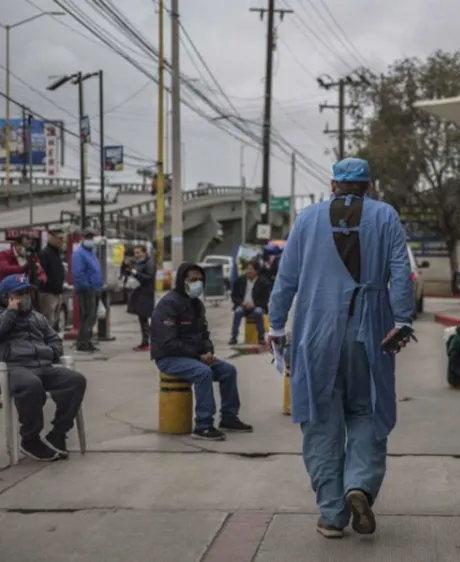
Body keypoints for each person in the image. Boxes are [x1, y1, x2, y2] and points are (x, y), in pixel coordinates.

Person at [267, 157, 414, 538]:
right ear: (368, 185)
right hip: (372, 332)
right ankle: (359, 485)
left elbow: (286, 278)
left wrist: (277, 325)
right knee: (366, 410)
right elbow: (401, 272)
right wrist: (401, 321)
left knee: (320, 419)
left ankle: (332, 514)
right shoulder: (385, 217)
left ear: (333, 184)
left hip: (317, 332)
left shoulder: (308, 218)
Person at [151, 262, 253, 440]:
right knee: (203, 373)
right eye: (193, 280)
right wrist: (198, 355)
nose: (197, 283)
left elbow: (204, 333)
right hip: (169, 358)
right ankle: (203, 425)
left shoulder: (196, 305)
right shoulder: (168, 304)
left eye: (200, 280)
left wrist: (208, 350)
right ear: (182, 280)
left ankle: (229, 417)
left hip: (194, 356)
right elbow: (168, 343)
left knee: (228, 371)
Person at [0, 274, 87, 461]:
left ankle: (58, 433)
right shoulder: (3, 317)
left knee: (75, 381)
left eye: (27, 293)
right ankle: (30, 439)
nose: (25, 297)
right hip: (16, 368)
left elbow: (54, 338)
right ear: (6, 298)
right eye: (19, 294)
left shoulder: (37, 317)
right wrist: (11, 312)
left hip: (44, 366)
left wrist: (50, 351)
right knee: (31, 385)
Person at [71, 228, 103, 352]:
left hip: (95, 288)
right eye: (87, 237)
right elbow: (78, 273)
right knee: (88, 316)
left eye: (91, 238)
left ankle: (86, 341)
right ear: (82, 239)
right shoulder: (79, 253)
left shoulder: (91, 252)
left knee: (91, 317)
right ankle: (83, 343)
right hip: (87, 290)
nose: (90, 240)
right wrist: (87, 286)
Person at [229, 260, 271, 345]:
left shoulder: (263, 282)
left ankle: (261, 337)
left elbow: (265, 299)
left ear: (256, 271)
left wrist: (254, 304)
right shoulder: (240, 281)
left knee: (258, 312)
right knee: (238, 312)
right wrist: (242, 303)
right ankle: (234, 337)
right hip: (243, 305)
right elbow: (234, 297)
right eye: (247, 269)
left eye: (251, 269)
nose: (249, 271)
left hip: (257, 305)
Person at [125, 244, 156, 351]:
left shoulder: (149, 263)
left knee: (144, 318)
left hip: (146, 294)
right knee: (142, 319)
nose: (136, 255)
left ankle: (147, 342)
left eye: (138, 252)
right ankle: (145, 341)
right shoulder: (138, 262)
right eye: (135, 253)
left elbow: (149, 277)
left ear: (144, 252)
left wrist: (136, 273)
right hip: (139, 293)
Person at [0, 234, 47, 299]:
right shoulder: (5, 254)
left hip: (27, 294)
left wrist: (40, 280)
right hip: (9, 293)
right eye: (25, 246)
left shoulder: (31, 256)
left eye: (29, 246)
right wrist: (23, 268)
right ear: (16, 244)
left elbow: (41, 272)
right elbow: (4, 269)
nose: (27, 250)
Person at [37, 230, 67, 330]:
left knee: (54, 322)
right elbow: (40, 274)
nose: (63, 242)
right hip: (48, 293)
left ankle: (51, 343)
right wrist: (49, 284)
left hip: (56, 292)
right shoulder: (45, 254)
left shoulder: (56, 254)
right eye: (60, 239)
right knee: (47, 321)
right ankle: (45, 343)